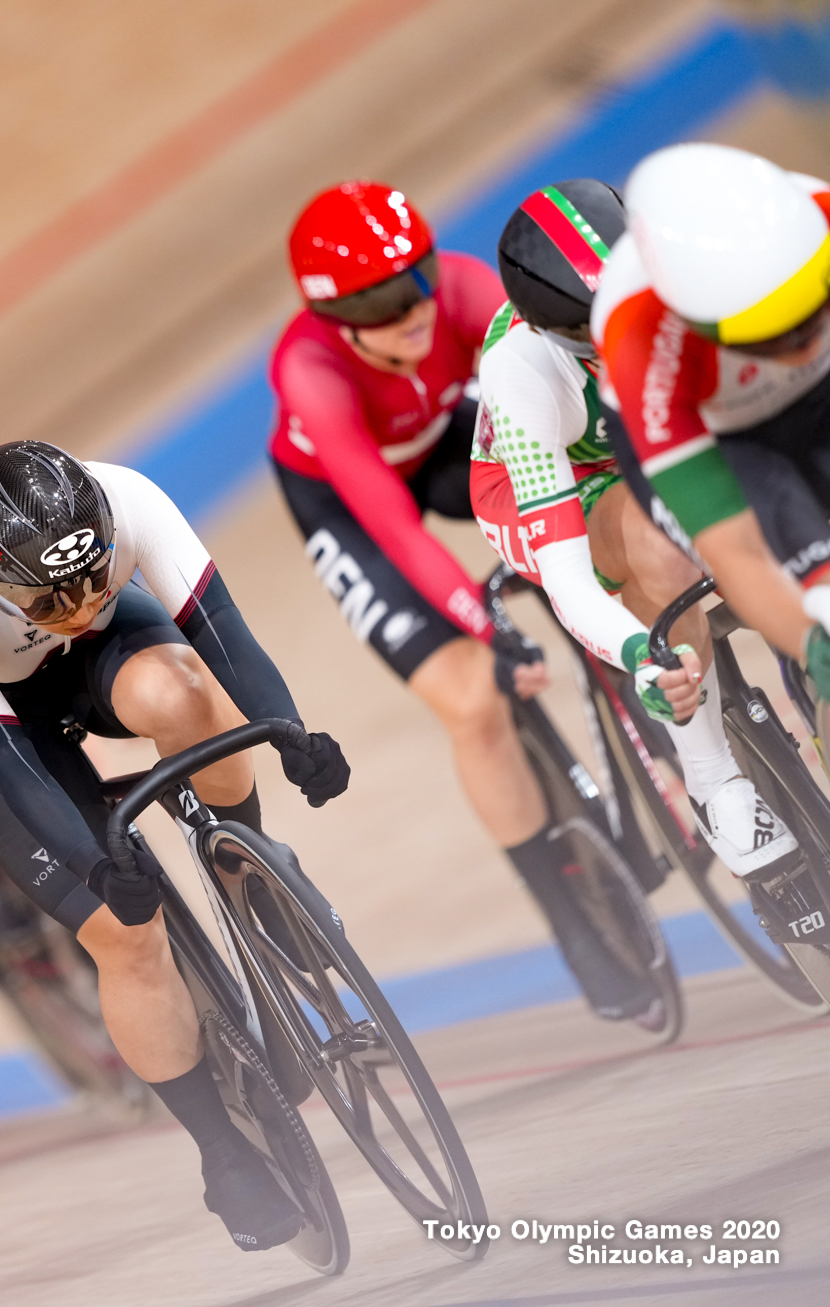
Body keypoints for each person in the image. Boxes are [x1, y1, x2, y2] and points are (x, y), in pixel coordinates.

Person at [0, 440, 350, 1252]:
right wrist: (100, 868)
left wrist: (292, 732)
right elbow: (11, 769)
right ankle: (223, 1153)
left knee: (179, 689)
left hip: (98, 666)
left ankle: (246, 863)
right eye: (45, 600)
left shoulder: (127, 496)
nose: (75, 606)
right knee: (124, 936)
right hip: (1, 718)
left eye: (93, 577)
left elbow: (223, 635)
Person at [267, 180, 656, 1022]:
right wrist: (484, 626)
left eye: (417, 276)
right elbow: (396, 532)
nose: (411, 309)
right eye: (378, 300)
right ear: (336, 321)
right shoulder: (310, 371)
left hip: (447, 445)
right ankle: (568, 919)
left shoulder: (474, 291)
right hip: (351, 499)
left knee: (574, 550)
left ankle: (638, 732)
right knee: (474, 697)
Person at [472, 178, 797, 878]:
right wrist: (638, 654)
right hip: (553, 481)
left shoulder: (686, 274)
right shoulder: (521, 373)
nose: (609, 338)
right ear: (544, 331)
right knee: (658, 555)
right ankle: (712, 779)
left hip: (643, 435)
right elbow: (565, 572)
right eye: (582, 334)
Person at [591, 142, 830, 744]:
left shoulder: (819, 215)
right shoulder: (641, 339)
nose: (799, 342)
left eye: (811, 313)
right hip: (726, 440)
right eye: (767, 336)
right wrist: (811, 644)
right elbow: (737, 552)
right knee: (816, 596)